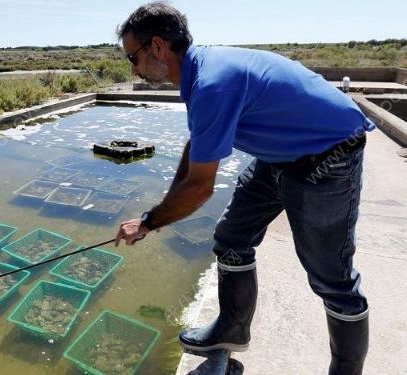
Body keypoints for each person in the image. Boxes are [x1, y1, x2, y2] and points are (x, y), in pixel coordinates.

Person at [114, 3, 374, 374]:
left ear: (157, 46)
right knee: (233, 237)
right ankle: (232, 330)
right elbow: (196, 149)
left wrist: (148, 222)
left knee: (330, 276)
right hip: (280, 156)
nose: (132, 69)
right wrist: (154, 212)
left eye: (132, 58)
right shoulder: (198, 71)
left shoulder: (210, 82)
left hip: (328, 155)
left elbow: (200, 188)